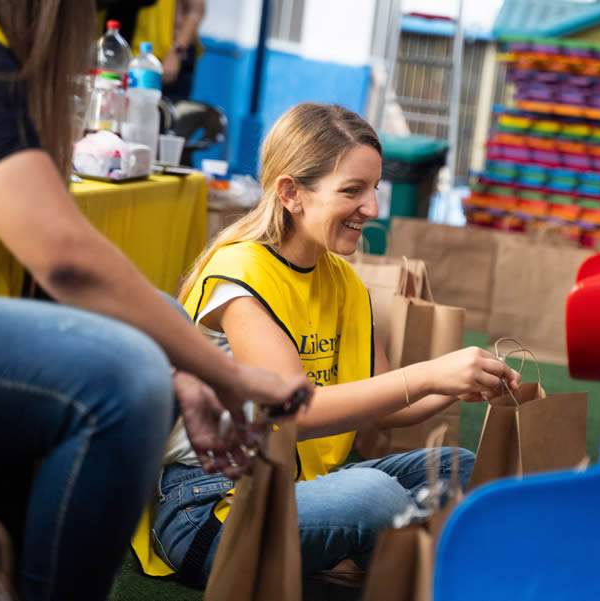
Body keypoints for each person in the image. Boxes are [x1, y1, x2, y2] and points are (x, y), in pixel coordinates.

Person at [0, 2, 310, 600]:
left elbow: (31, 263)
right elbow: (62, 257)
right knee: (121, 377)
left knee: (160, 333)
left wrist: (184, 359)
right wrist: (224, 372)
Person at [137, 103, 521, 585]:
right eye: (353, 191)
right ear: (291, 193)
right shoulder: (238, 278)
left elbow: (381, 401)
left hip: (300, 489)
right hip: (208, 512)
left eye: (374, 188)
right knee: (373, 496)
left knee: (459, 468)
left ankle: (347, 559)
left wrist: (455, 384)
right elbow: (295, 412)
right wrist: (427, 373)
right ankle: (365, 561)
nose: (374, 209)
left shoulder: (344, 280)